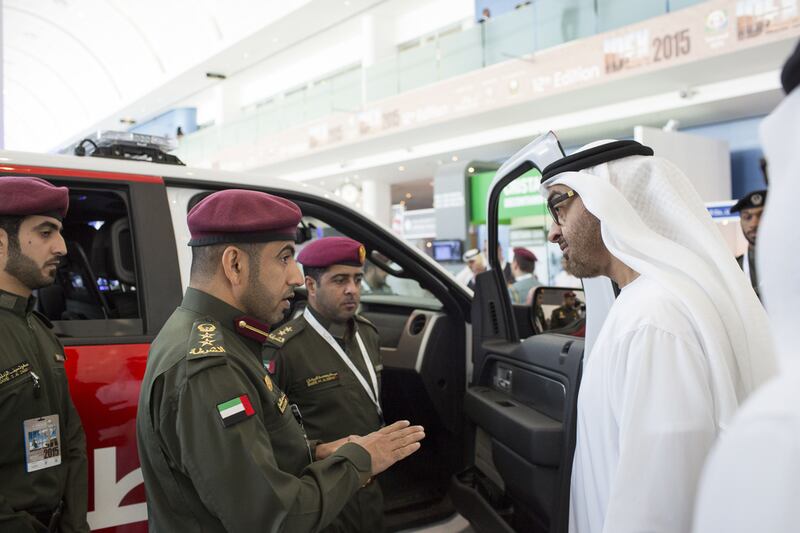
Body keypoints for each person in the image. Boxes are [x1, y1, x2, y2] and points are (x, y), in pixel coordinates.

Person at [136, 189, 424, 532]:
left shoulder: (213, 336)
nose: (296, 277)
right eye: (284, 257)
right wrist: (359, 460)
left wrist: (315, 452)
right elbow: (272, 517)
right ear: (234, 264)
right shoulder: (210, 368)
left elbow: (251, 454)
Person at [535, 133, 775, 532]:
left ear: (607, 200)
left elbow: (658, 503)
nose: (554, 232)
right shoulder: (642, 301)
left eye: (560, 206)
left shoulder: (655, 318)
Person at [692, 39, 800, 533]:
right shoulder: (734, 266)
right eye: (748, 216)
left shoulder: (777, 438)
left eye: (760, 212)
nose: (755, 223)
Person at [266, 237, 385, 532]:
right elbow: (268, 435)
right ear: (311, 285)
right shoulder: (283, 350)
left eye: (357, 279)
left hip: (370, 486)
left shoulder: (368, 334)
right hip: (324, 494)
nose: (352, 290)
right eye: (340, 280)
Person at [0, 176, 89, 532]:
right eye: (46, 231)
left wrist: (73, 523)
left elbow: (71, 440)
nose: (63, 247)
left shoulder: (39, 330)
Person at [731, 189, 767, 299]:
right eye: (747, 217)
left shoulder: (792, 262)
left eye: (761, 215)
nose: (754, 223)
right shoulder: (734, 269)